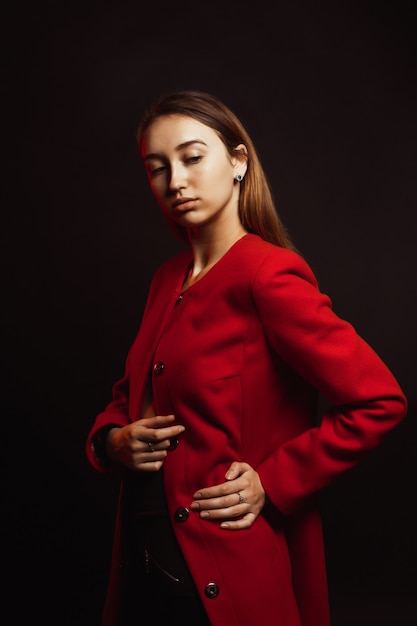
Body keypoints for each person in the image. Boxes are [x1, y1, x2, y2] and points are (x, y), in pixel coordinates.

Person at [85, 90, 407, 626]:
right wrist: (112, 439)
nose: (175, 181)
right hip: (141, 561)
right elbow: (130, 395)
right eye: (157, 167)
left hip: (218, 570)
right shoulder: (166, 280)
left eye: (192, 157)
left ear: (238, 161)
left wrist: (272, 481)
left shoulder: (267, 274)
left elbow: (379, 400)